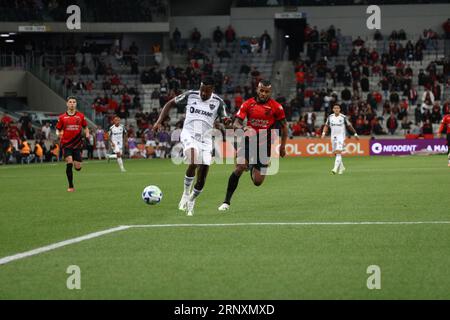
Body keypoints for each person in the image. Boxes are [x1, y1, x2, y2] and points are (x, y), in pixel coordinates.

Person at [153, 77, 229, 216]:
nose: (203, 94)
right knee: (193, 161)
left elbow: (225, 118)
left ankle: (192, 199)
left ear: (212, 90)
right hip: (189, 134)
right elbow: (170, 103)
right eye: (202, 90)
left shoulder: (218, 102)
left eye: (207, 91)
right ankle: (185, 193)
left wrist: (227, 121)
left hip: (206, 140)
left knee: (201, 180)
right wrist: (159, 121)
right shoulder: (190, 95)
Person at [218, 80, 288, 211]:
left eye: (266, 91)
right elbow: (236, 123)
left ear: (270, 92)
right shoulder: (248, 104)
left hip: (264, 145)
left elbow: (285, 127)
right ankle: (226, 202)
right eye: (261, 91)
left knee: (257, 182)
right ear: (257, 90)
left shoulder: (276, 107)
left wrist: (283, 146)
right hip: (248, 141)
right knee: (239, 167)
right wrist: (244, 128)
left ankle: (252, 167)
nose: (263, 94)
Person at [55, 97, 89, 192]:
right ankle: (71, 186)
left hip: (77, 144)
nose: (72, 104)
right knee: (69, 162)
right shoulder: (62, 117)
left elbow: (86, 127)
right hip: (66, 144)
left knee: (78, 167)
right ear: (67, 104)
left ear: (76, 104)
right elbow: (57, 129)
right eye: (70, 102)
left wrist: (87, 134)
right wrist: (59, 134)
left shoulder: (81, 116)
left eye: (74, 102)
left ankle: (76, 162)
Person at [321, 104, 359, 175]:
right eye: (335, 108)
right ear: (333, 109)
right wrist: (323, 133)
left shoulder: (343, 117)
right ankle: (342, 167)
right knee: (336, 153)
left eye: (337, 108)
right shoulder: (330, 117)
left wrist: (355, 134)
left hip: (341, 137)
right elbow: (326, 125)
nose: (336, 109)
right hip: (333, 137)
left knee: (338, 151)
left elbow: (349, 126)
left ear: (340, 109)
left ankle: (335, 169)